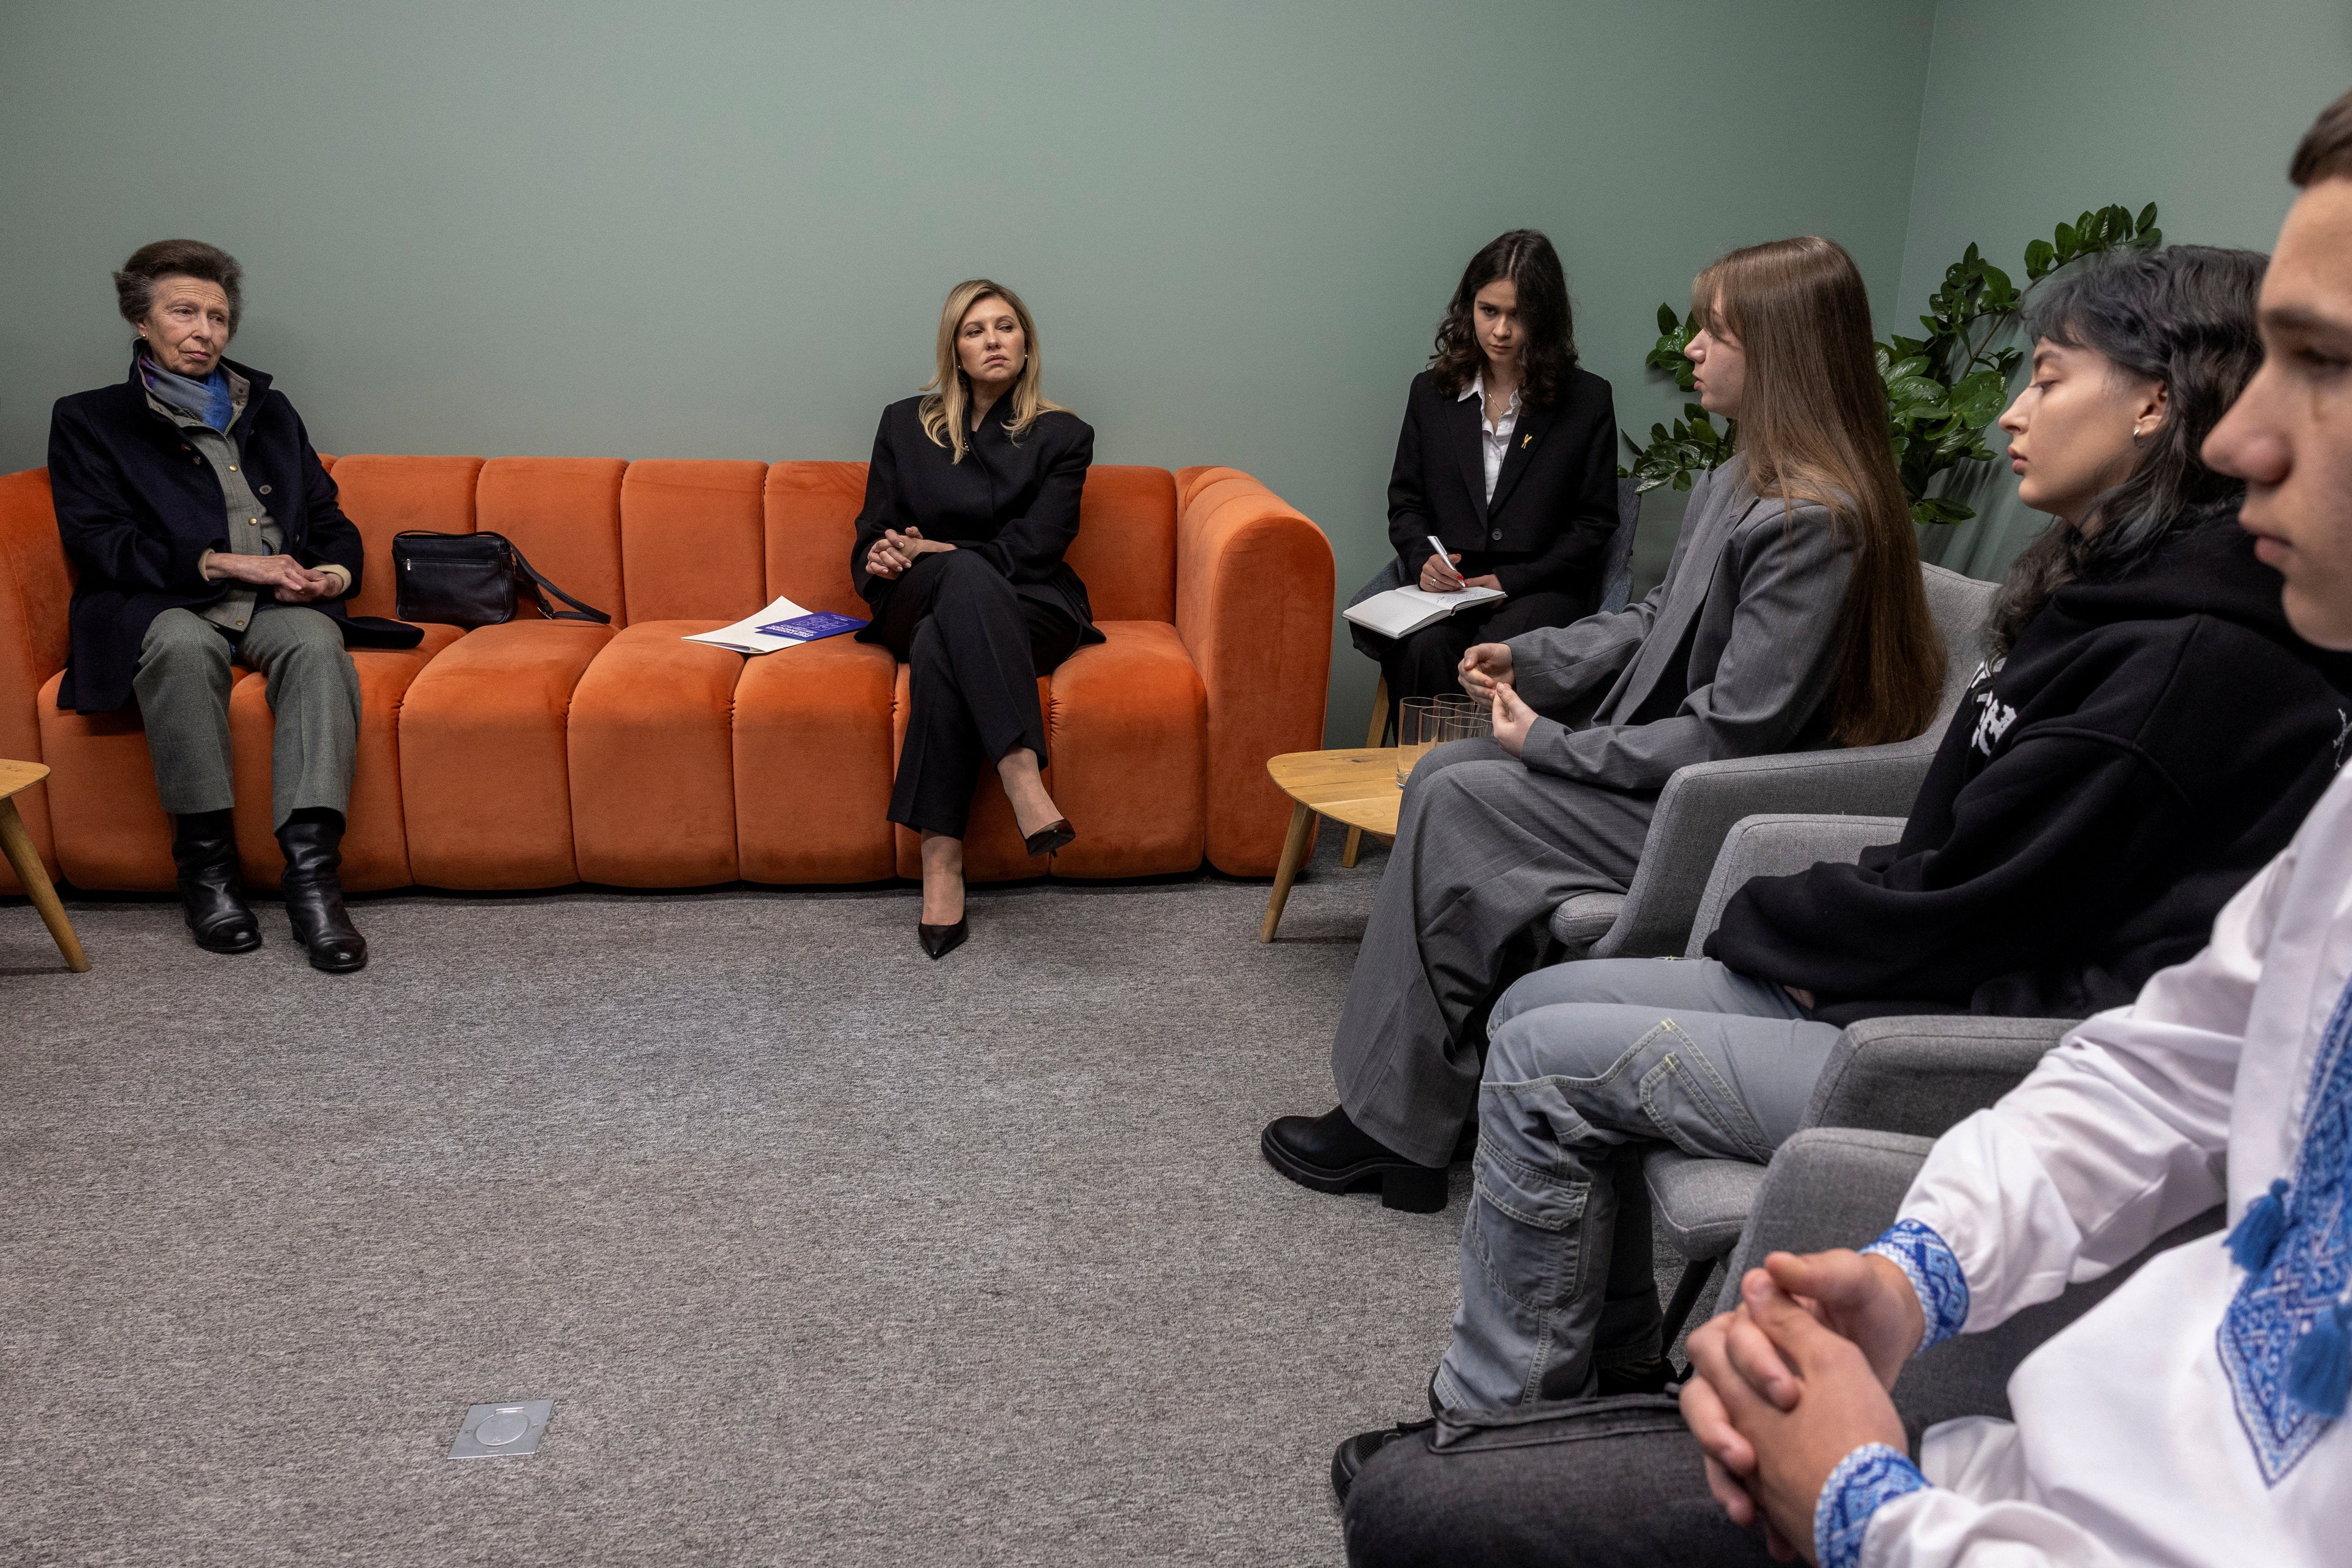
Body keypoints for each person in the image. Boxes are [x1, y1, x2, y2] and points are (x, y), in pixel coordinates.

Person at [1340, 86, 2352, 1568]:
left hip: (1906, 1025)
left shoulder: (2182, 658)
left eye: (2319, 366)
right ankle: (1549, 1386)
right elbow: (2188, 1051)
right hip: (1902, 1030)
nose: (2249, 436)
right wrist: (1921, 1270)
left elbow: (1903, 864)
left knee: (1429, 1482)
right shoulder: (2113, 611)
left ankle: (1495, 1403)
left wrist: (1869, 1508)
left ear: (2148, 404)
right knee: (1516, 937)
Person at [1262, 236, 1941, 1212]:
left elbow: (1728, 739)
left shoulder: (1813, 520)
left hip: (1719, 816)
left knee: (1455, 793)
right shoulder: (1740, 480)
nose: (1692, 353)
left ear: (1783, 351)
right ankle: (1412, 1119)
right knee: (1450, 776)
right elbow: (1653, 621)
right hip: (1683, 783)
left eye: (1716, 333)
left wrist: (1552, 743)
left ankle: (1391, 1126)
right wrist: (1532, 658)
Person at [46, 240, 419, 973]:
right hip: (161, 601)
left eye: (218, 317)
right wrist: (217, 561)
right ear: (142, 323)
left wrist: (333, 578)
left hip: (275, 602)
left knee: (316, 644)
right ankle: (207, 875)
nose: (205, 331)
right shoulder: (91, 419)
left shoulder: (270, 409)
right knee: (183, 649)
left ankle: (314, 881)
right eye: (183, 312)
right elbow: (98, 541)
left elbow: (327, 516)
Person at [849, 279, 1099, 960]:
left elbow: (1038, 546)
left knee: (942, 634)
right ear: (955, 351)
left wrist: (946, 550)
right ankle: (1023, 778)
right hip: (917, 591)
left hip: (1029, 602)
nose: (993, 340)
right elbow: (872, 529)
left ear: (1026, 344)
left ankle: (941, 861)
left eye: (1006, 327)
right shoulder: (904, 423)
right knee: (951, 586)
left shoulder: (1065, 436)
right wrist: (882, 553)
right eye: (975, 330)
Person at [1354, 230, 1620, 727]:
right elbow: (1406, 503)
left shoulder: (1586, 401)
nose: (1500, 330)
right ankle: (1422, 782)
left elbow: (1595, 522)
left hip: (1540, 587)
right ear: (1468, 308)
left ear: (1546, 317)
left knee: (1490, 655)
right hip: (1450, 591)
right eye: (1488, 310)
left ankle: (1486, 786)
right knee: (1423, 649)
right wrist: (1423, 559)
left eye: (1517, 315)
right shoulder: (1431, 394)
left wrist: (1511, 579)